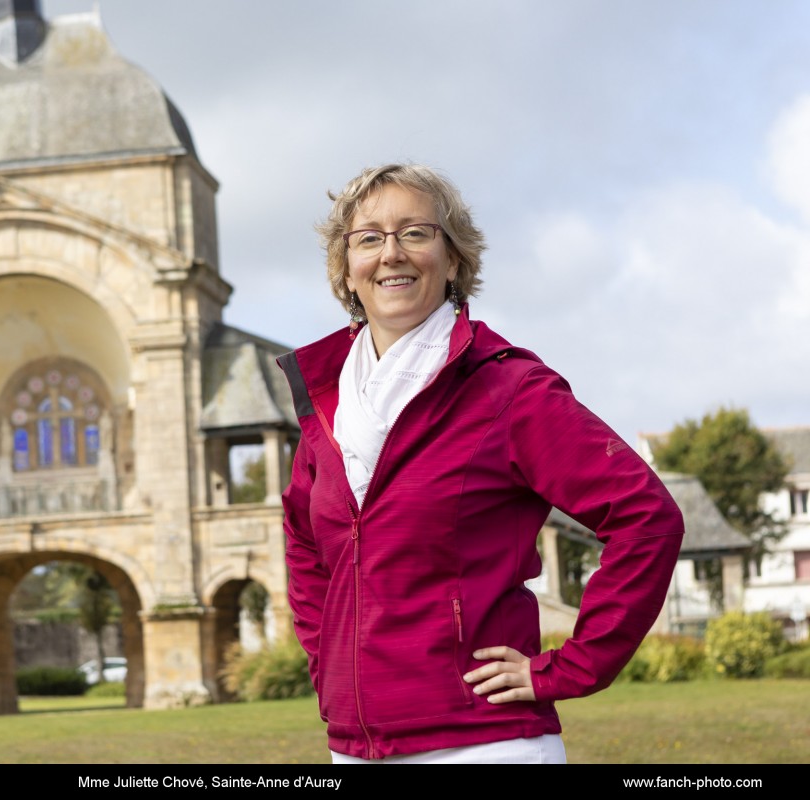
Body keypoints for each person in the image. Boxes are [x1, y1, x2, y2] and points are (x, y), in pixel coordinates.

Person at [276, 163, 684, 764]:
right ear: (346, 269)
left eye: (416, 232)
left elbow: (647, 518)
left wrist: (573, 666)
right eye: (369, 238)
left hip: (484, 743)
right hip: (355, 749)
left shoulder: (510, 389)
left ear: (455, 258)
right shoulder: (326, 403)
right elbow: (307, 550)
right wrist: (329, 668)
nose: (392, 254)